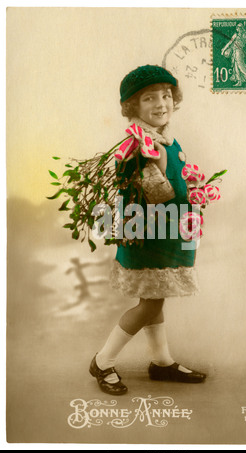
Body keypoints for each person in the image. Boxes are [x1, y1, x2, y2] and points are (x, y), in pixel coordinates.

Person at [89, 64, 206, 395]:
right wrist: (183, 185)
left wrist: (195, 186)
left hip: (166, 233)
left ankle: (161, 361)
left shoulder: (162, 136)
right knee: (150, 304)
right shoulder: (138, 145)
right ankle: (103, 361)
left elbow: (178, 183)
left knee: (154, 299)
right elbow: (158, 195)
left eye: (166, 95)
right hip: (148, 233)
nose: (161, 103)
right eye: (149, 98)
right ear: (133, 107)